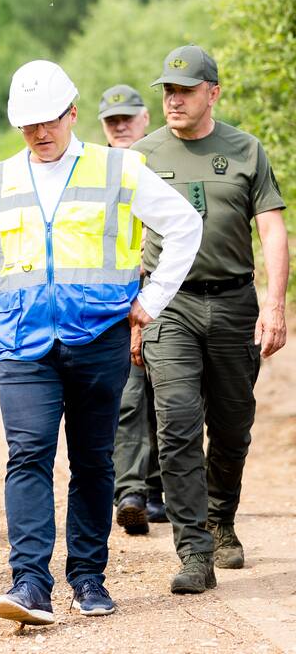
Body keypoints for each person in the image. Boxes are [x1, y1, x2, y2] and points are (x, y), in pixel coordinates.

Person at [0, 60, 201, 624]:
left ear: (72, 114)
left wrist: (151, 302)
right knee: (28, 456)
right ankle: (29, 582)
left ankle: (87, 577)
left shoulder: (120, 169)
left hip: (99, 341)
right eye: (27, 124)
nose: (39, 132)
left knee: (93, 459)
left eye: (49, 120)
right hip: (22, 343)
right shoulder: (0, 178)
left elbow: (185, 226)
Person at [135, 45, 289, 594]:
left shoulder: (247, 151)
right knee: (176, 422)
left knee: (231, 427)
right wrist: (134, 309)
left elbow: (271, 228)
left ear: (213, 92)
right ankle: (194, 547)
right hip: (168, 304)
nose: (173, 100)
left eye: (185, 90)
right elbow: (123, 236)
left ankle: (222, 519)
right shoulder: (142, 155)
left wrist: (274, 305)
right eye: (167, 91)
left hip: (234, 303)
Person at [97, 84, 167, 534]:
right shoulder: (97, 171)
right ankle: (131, 491)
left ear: (145, 119)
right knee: (129, 396)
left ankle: (158, 489)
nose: (121, 126)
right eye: (112, 120)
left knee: (171, 397)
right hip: (118, 296)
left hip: (167, 291)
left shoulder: (163, 162)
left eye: (128, 118)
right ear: (103, 126)